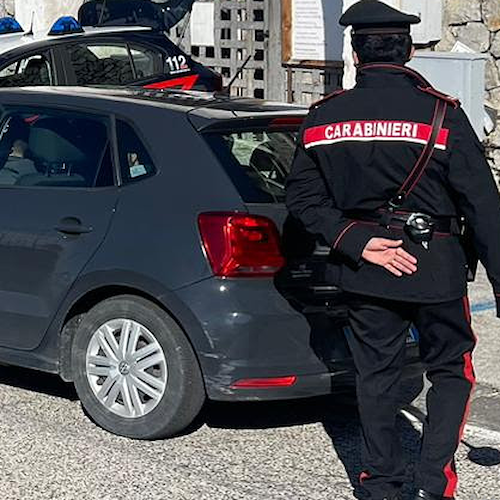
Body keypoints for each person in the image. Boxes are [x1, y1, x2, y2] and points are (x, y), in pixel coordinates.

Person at [285, 1, 500, 499]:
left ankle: (380, 484)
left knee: (376, 377)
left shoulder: (323, 116)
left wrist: (356, 241)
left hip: (365, 268)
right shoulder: (442, 113)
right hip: (435, 266)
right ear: (407, 50)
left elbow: (302, 199)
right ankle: (433, 484)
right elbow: (484, 206)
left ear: (357, 53)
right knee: (449, 371)